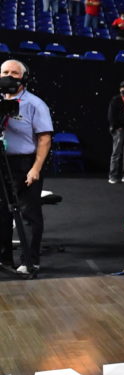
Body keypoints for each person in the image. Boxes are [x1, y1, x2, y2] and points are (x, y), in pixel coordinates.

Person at [0, 60, 52, 276]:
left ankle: (30, 261)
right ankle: (4, 258)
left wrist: (36, 168)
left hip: (25, 163)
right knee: (2, 213)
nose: (9, 76)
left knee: (28, 213)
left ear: (24, 77)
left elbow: (44, 138)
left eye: (14, 72)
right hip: (2, 163)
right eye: (5, 72)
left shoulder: (34, 104)